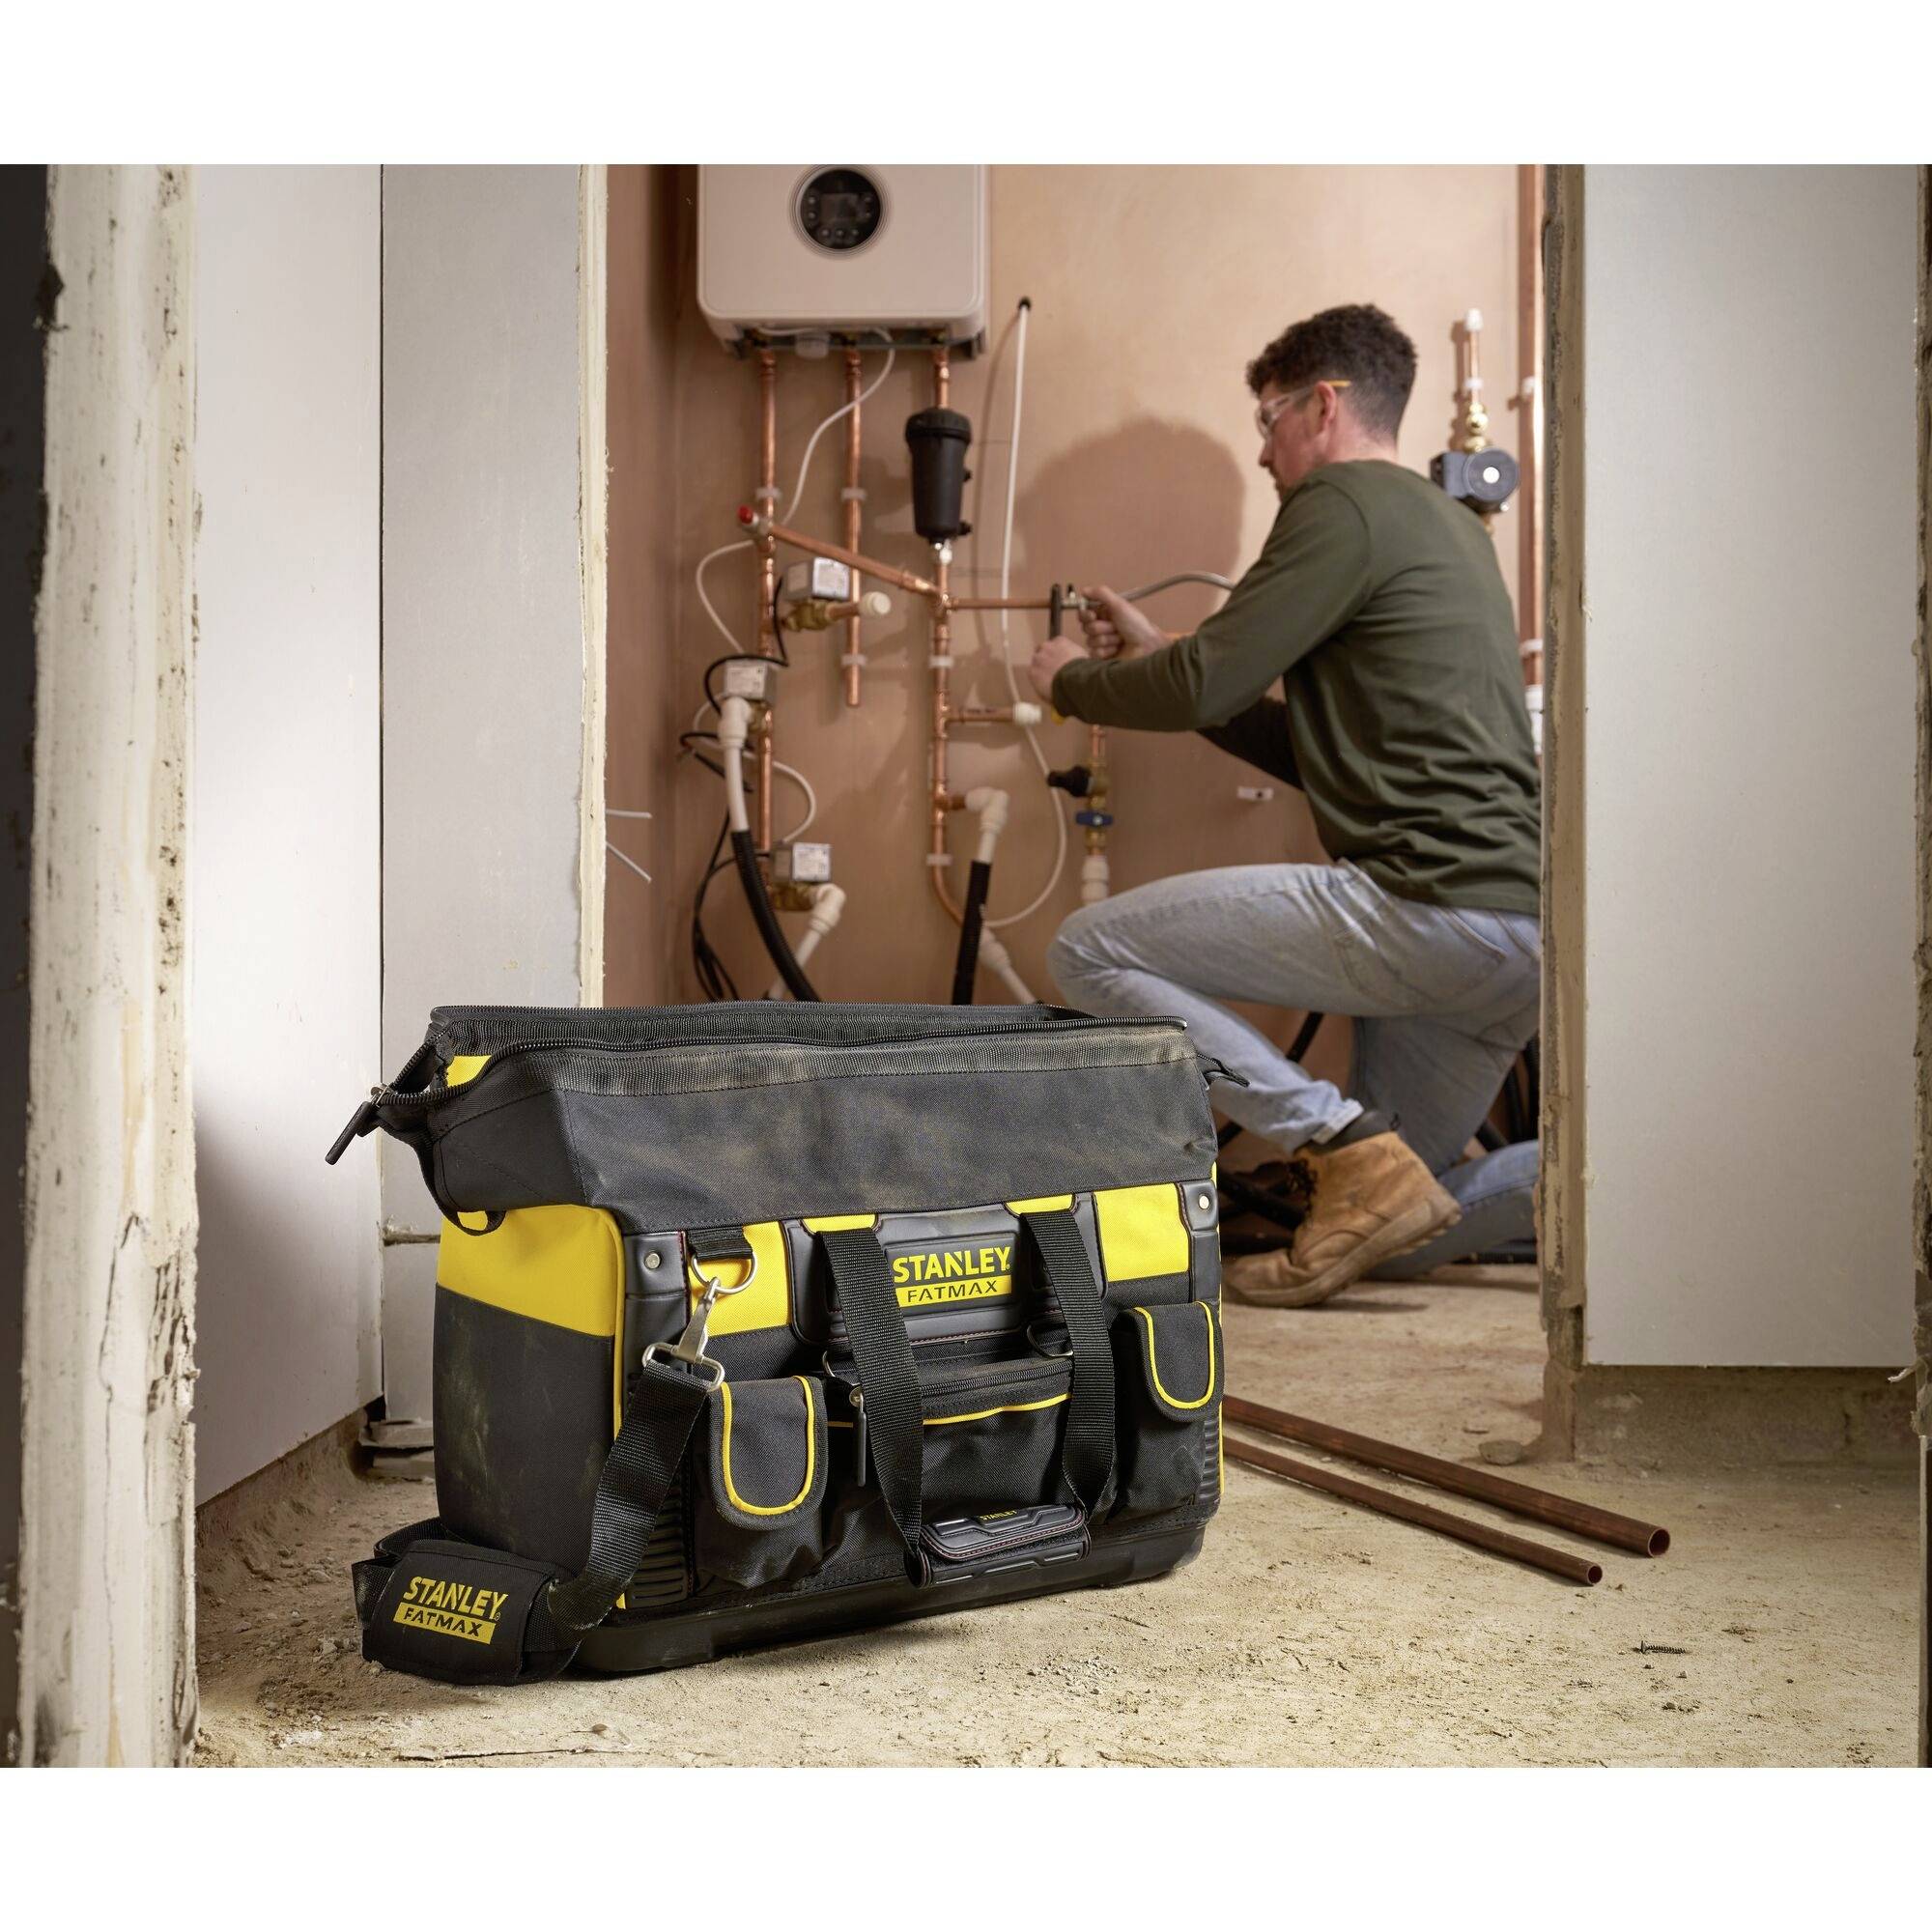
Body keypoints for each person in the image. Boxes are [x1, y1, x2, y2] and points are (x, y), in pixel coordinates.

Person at [1026, 303, 1541, 1308]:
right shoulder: (1445, 524)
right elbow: (1300, 741)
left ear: (1323, 405)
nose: (1263, 451)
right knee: (1381, 1231)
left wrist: (1071, 683)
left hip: (1429, 907)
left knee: (1087, 950)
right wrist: (1156, 655)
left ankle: (1336, 1137)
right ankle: (1592, 1171)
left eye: (1267, 420)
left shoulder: (1339, 502)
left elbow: (1201, 684)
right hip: (1514, 934)